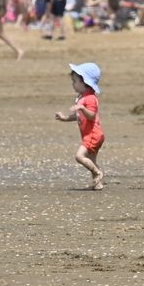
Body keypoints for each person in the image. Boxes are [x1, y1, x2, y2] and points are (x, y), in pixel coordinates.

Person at [56, 62, 105, 190]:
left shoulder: (90, 98)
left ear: (84, 82)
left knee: (79, 156)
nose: (72, 84)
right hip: (89, 135)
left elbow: (91, 116)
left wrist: (82, 108)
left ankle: (98, 173)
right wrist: (65, 118)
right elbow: (79, 116)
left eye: (75, 81)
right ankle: (98, 183)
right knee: (91, 161)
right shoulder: (82, 97)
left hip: (93, 135)